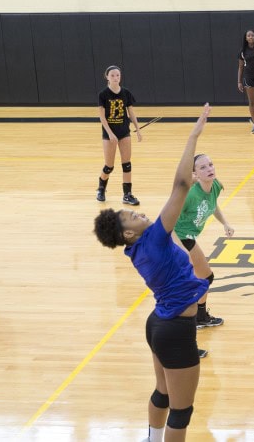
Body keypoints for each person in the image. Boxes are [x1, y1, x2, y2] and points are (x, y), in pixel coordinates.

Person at [93, 104, 212, 442]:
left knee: (163, 393)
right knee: (182, 410)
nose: (138, 214)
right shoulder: (154, 239)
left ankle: (151, 439)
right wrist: (193, 135)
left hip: (159, 325)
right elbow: (180, 185)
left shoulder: (137, 248)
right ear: (128, 234)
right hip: (173, 329)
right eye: (130, 217)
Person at [173, 154, 234, 330]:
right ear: (194, 174)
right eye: (203, 167)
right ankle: (180, 323)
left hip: (190, 237)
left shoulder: (215, 185)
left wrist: (225, 223)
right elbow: (168, 222)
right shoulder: (189, 195)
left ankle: (200, 317)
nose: (209, 169)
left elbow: (212, 205)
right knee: (188, 283)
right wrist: (181, 250)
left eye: (211, 165)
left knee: (206, 278)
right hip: (178, 237)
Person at [96, 65, 142, 205]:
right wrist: (110, 134)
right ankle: (101, 189)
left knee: (126, 164)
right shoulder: (103, 95)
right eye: (112, 76)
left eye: (118, 75)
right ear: (107, 77)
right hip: (109, 134)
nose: (116, 78)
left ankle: (127, 195)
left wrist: (138, 128)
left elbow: (131, 113)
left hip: (124, 132)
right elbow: (102, 117)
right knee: (109, 166)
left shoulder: (126, 93)